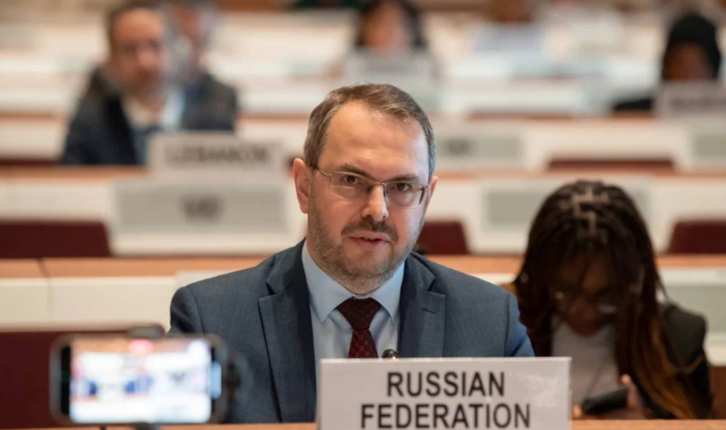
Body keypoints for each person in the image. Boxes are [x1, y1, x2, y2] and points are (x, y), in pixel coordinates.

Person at [169, 83, 533, 423]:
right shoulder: (211, 322)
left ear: (427, 198)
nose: (377, 210)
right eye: (351, 180)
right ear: (304, 187)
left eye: (402, 186)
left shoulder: (490, 323)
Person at [511, 180, 713, 419]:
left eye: (608, 296)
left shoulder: (678, 341)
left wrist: (643, 426)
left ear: (637, 282)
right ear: (540, 278)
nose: (588, 313)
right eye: (568, 293)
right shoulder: (500, 331)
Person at [60, 0, 235, 166]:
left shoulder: (214, 119)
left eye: (155, 45)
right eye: (130, 49)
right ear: (111, 58)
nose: (145, 61)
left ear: (176, 49)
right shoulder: (89, 124)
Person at [613, 12, 722, 112]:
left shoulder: (723, 114)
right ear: (666, 66)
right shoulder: (631, 114)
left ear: (713, 69)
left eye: (696, 65)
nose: (688, 74)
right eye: (680, 64)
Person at [353, 0, 427, 54]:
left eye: (397, 24)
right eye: (380, 23)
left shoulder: (426, 67)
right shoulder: (350, 65)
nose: (388, 32)